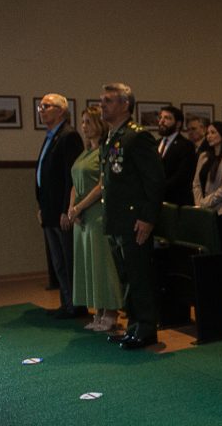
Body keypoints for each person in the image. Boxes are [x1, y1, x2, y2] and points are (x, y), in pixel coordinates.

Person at [99, 82, 166, 349]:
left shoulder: (137, 137)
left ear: (125, 105)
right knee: (127, 277)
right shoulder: (112, 136)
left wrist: (148, 217)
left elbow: (155, 180)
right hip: (117, 220)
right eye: (101, 101)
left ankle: (146, 329)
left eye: (108, 101)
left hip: (134, 220)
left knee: (139, 276)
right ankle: (134, 326)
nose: (102, 105)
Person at [67, 106, 123, 332]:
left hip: (97, 213)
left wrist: (80, 206)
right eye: (82, 122)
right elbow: (74, 182)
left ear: (99, 124)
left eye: (88, 122)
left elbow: (103, 184)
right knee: (89, 263)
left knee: (102, 263)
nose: (84, 126)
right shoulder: (84, 152)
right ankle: (98, 310)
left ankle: (111, 312)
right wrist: (72, 208)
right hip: (82, 217)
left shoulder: (106, 150)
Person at [35, 93, 84, 319]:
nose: (41, 110)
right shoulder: (50, 136)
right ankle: (66, 302)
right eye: (40, 107)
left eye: (46, 106)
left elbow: (70, 176)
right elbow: (44, 175)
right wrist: (41, 207)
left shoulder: (69, 136)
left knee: (67, 259)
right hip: (49, 210)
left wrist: (67, 209)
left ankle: (75, 304)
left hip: (62, 211)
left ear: (61, 111)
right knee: (57, 261)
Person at [192, 121, 222, 280]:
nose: (209, 136)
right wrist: (199, 202)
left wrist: (204, 203)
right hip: (206, 212)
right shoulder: (204, 156)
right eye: (208, 133)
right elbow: (196, 183)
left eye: (213, 133)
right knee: (208, 253)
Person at [158, 105, 197, 206]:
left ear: (178, 124)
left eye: (167, 118)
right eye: (161, 117)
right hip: (155, 201)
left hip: (175, 202)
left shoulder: (186, 145)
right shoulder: (155, 144)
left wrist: (158, 188)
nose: (162, 121)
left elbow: (181, 176)